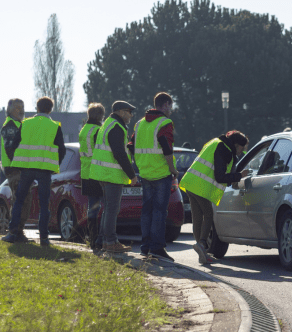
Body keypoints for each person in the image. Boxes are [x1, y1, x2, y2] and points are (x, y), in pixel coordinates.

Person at [179, 130, 249, 264]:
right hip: (200, 186)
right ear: (236, 144)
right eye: (242, 147)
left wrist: (232, 178)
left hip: (191, 182)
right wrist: (240, 175)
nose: (242, 151)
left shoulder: (215, 142)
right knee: (208, 214)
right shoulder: (224, 149)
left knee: (197, 217)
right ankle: (202, 244)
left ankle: (201, 251)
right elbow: (220, 176)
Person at [5, 96, 66, 246]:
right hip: (45, 170)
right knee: (44, 204)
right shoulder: (55, 126)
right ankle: (44, 238)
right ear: (50, 109)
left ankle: (13, 232)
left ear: (37, 108)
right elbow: (62, 150)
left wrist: (18, 163)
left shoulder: (25, 124)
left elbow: (14, 145)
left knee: (19, 200)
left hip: (26, 169)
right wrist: (54, 165)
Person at [132, 92, 178, 261]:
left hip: (145, 172)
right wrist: (173, 169)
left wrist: (137, 164)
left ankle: (145, 247)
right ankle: (157, 248)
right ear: (165, 105)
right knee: (159, 211)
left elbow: (131, 146)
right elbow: (166, 147)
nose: (171, 110)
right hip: (161, 173)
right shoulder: (165, 123)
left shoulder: (139, 124)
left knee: (147, 211)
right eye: (170, 106)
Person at [89, 100, 138, 253]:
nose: (131, 115)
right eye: (129, 112)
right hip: (111, 174)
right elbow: (119, 154)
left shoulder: (108, 124)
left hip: (103, 173)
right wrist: (132, 175)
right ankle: (110, 242)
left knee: (108, 208)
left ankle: (105, 240)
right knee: (112, 209)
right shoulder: (116, 127)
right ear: (121, 112)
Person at [0, 99, 33, 241]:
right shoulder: (11, 125)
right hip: (15, 169)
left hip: (20, 168)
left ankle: (18, 232)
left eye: (23, 107)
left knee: (24, 199)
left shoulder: (19, 124)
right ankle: (14, 232)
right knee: (20, 199)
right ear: (10, 109)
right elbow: (10, 149)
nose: (21, 110)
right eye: (18, 107)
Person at [78, 103, 105, 249]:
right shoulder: (98, 130)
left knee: (92, 207)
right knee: (106, 206)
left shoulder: (84, 130)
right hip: (97, 172)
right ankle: (102, 239)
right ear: (101, 116)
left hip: (86, 173)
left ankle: (93, 239)